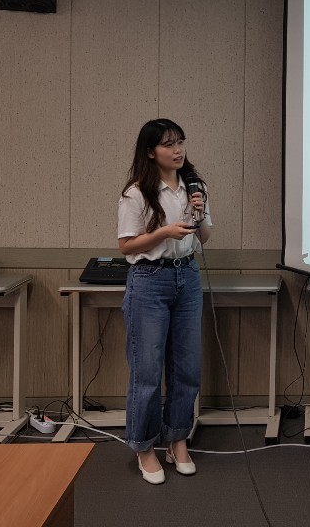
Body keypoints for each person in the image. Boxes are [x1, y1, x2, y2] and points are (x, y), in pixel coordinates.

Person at [117, 118, 212, 484]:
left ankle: (177, 439)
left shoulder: (195, 186)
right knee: (147, 371)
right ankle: (144, 447)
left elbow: (204, 237)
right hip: (149, 281)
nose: (178, 150)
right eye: (169, 144)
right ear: (150, 152)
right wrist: (163, 233)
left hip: (187, 277)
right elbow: (126, 246)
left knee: (187, 367)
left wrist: (199, 213)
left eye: (180, 142)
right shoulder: (137, 193)